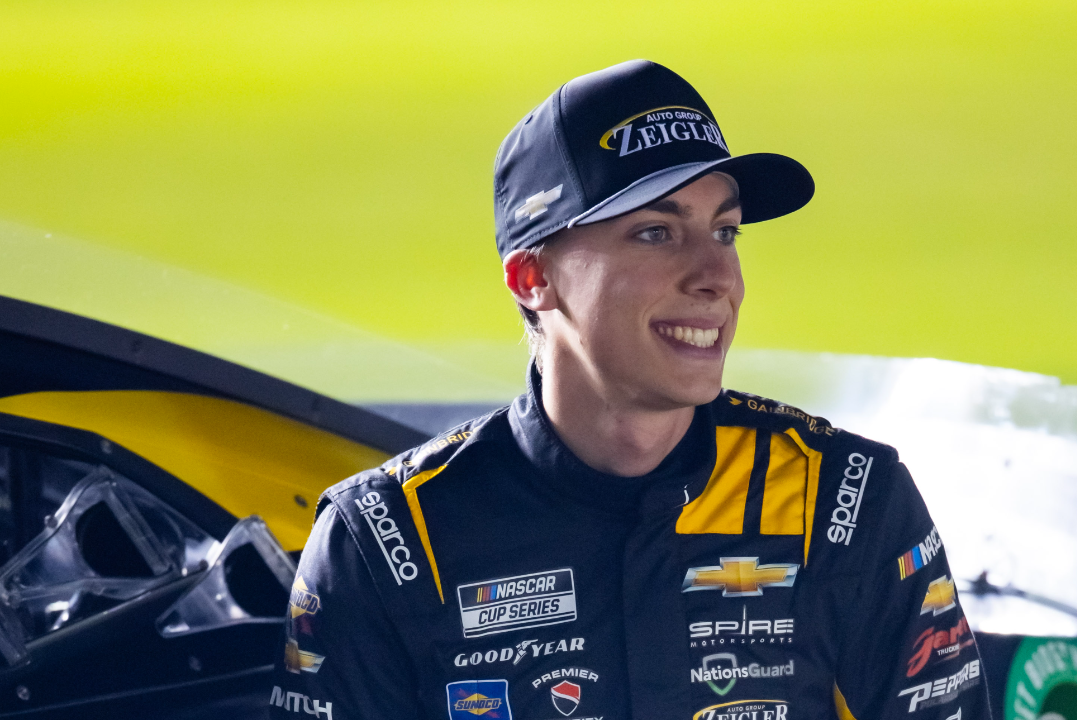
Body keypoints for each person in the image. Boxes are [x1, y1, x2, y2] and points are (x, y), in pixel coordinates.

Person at [267, 60, 991, 720]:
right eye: (655, 233)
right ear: (533, 278)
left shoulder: (847, 501)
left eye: (726, 232)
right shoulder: (387, 543)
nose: (717, 277)